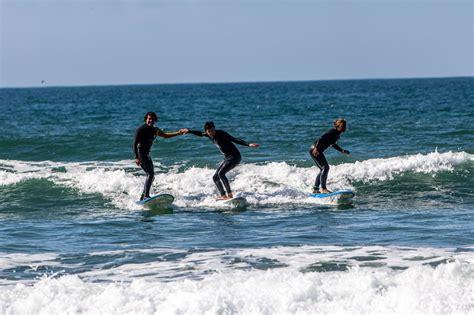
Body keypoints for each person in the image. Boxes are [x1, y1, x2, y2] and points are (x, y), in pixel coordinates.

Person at [182, 122, 259, 200]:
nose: (211, 132)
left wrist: (248, 144)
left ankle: (230, 194)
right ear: (206, 132)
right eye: (209, 131)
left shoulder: (222, 134)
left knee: (221, 173)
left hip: (235, 157)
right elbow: (200, 133)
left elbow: (234, 139)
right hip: (227, 158)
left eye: (212, 130)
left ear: (214, 129)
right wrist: (189, 131)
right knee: (215, 177)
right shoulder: (208, 135)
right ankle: (223, 196)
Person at [133, 111, 186, 200]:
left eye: (152, 119)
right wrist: (136, 157)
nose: (150, 120)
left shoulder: (155, 130)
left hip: (146, 154)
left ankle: (143, 196)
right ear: (146, 119)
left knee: (151, 175)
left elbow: (165, 135)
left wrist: (178, 133)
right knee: (150, 174)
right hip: (140, 153)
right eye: (149, 119)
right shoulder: (141, 129)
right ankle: (146, 196)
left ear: (155, 120)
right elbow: (134, 143)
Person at [309, 119, 350, 194]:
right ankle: (323, 189)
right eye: (342, 126)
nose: (344, 128)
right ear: (338, 126)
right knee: (325, 167)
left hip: (317, 150)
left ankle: (315, 189)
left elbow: (333, 144)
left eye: (345, 126)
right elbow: (321, 138)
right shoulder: (332, 131)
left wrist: (342, 150)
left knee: (323, 169)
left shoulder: (337, 133)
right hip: (315, 150)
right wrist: (316, 148)